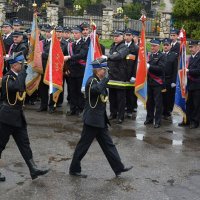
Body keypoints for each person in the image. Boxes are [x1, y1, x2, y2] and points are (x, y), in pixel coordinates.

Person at [69, 58, 133, 178]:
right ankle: (74, 169)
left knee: (109, 145)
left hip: (99, 120)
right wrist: (107, 79)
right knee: (83, 146)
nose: (105, 72)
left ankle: (119, 167)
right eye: (104, 69)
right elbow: (96, 90)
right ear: (98, 70)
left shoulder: (99, 80)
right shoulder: (91, 81)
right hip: (92, 121)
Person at [0, 52, 49, 181]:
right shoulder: (7, 78)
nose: (23, 66)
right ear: (14, 65)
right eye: (21, 64)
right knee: (1, 144)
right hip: (6, 117)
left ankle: (33, 169)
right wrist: (23, 74)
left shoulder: (18, 76)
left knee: (24, 144)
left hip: (18, 117)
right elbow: (16, 87)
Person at [64, 25, 88, 116]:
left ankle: (80, 109)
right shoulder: (71, 44)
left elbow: (81, 55)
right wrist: (67, 69)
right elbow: (66, 59)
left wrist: (70, 57)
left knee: (79, 91)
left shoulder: (84, 44)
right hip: (72, 71)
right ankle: (72, 108)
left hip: (80, 71)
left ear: (81, 34)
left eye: (76, 33)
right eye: (73, 33)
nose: (75, 35)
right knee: (72, 91)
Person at [107, 30, 129, 124]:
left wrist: (109, 56)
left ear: (122, 37)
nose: (115, 37)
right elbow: (112, 56)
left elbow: (119, 56)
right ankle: (113, 113)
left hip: (120, 75)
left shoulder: (124, 47)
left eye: (117, 36)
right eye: (114, 36)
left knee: (120, 98)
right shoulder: (113, 46)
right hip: (111, 74)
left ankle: (120, 116)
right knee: (112, 97)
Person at [144, 39, 166, 128]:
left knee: (158, 103)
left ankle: (157, 121)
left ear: (158, 46)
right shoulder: (148, 56)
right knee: (149, 102)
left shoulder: (162, 56)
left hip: (157, 82)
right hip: (149, 82)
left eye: (154, 46)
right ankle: (149, 118)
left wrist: (149, 66)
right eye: (151, 45)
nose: (152, 47)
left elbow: (161, 69)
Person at [124, 28, 139, 117]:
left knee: (130, 94)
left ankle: (130, 110)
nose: (127, 37)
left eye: (129, 35)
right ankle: (123, 108)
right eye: (126, 35)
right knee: (122, 94)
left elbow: (136, 63)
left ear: (132, 37)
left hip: (130, 74)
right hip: (122, 74)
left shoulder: (136, 48)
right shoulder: (121, 46)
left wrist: (134, 75)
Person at [162, 38, 178, 119]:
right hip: (161, 79)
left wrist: (174, 81)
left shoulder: (174, 55)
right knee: (161, 96)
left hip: (169, 79)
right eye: (164, 45)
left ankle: (168, 111)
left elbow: (175, 70)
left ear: (170, 46)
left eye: (167, 45)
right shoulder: (160, 54)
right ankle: (162, 111)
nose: (165, 46)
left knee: (169, 97)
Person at [186, 40, 200, 129]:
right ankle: (188, 120)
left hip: (197, 85)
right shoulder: (190, 57)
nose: (191, 49)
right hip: (190, 84)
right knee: (189, 104)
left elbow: (199, 71)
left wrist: (188, 71)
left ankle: (195, 122)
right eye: (190, 47)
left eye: (192, 47)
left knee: (196, 105)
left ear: (197, 47)